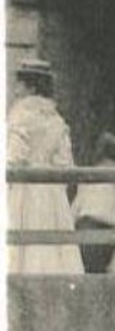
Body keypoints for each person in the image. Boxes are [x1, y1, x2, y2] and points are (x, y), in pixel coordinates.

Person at [6, 59, 83, 274]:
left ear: (31, 87)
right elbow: (66, 166)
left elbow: (15, 157)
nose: (16, 89)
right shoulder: (56, 120)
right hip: (52, 194)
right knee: (53, 252)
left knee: (22, 249)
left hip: (25, 191)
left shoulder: (20, 115)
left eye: (20, 83)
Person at [73, 132, 115, 274]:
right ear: (112, 162)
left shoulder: (89, 178)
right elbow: (97, 213)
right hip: (94, 236)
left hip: (89, 235)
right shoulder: (104, 182)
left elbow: (75, 210)